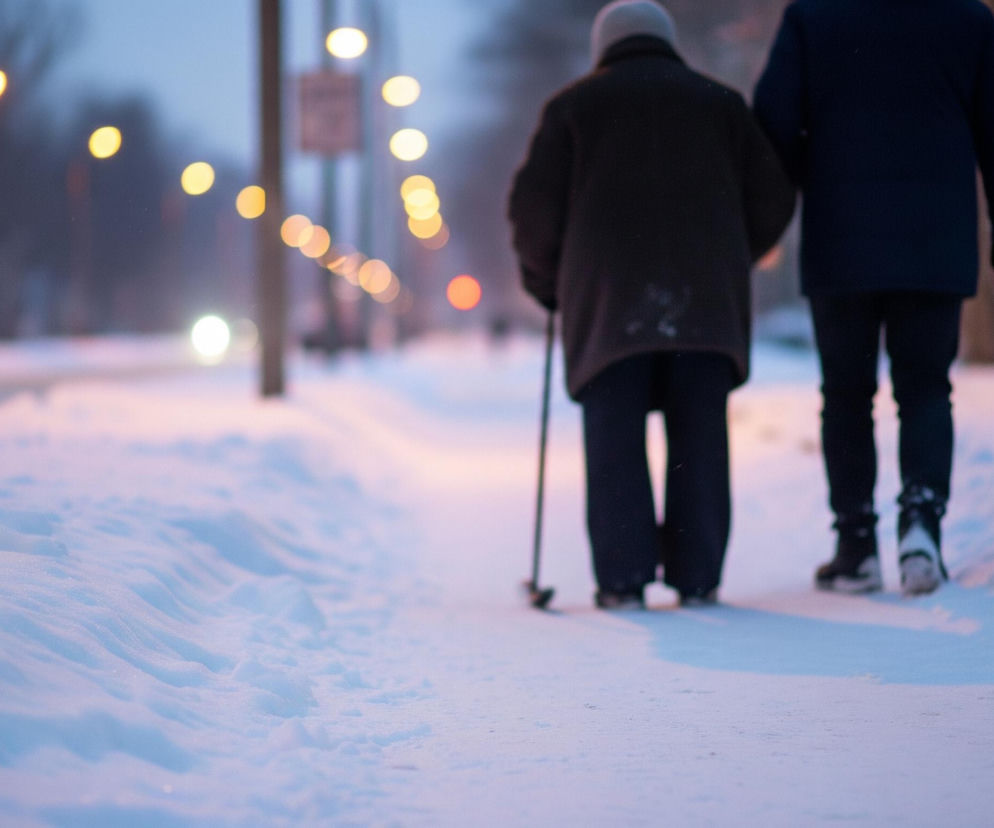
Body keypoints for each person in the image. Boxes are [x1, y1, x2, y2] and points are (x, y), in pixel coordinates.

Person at [508, 0, 795, 610]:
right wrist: (731, 257)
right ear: (667, 42)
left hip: (609, 306)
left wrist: (552, 283)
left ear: (603, 46)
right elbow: (773, 194)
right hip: (705, 305)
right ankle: (697, 577)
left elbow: (532, 214)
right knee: (700, 436)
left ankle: (623, 578)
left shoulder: (572, 109)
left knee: (614, 439)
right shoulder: (719, 105)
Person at [754, 0, 994, 595]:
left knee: (846, 394)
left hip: (842, 238)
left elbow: (773, 121)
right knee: (926, 389)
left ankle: (856, 544)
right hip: (937, 242)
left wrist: (770, 216)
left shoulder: (813, 18)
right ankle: (921, 524)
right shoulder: (968, 20)